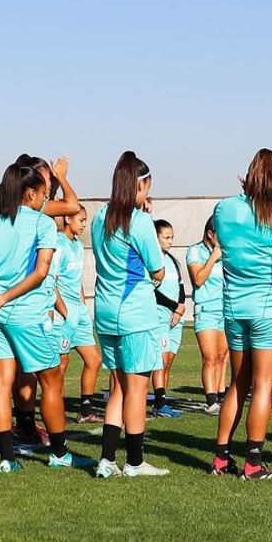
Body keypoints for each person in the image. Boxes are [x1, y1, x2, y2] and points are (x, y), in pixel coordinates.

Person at [0, 163, 94, 474]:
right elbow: (40, 273)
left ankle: (7, 458)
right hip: (28, 315)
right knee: (51, 380)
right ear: (29, 193)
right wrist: (8, 297)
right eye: (42, 193)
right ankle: (60, 453)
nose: (45, 199)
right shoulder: (42, 224)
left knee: (0, 382)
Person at [210, 149, 272, 480]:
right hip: (269, 307)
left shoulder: (224, 209)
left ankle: (221, 458)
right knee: (264, 385)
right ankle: (253, 461)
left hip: (234, 306)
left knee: (237, 384)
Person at [90, 151, 170, 478]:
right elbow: (158, 270)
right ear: (142, 185)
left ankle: (107, 460)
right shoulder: (139, 222)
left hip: (105, 312)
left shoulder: (98, 217)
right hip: (134, 313)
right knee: (136, 389)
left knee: (119, 388)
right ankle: (135, 462)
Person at [51, 204, 104, 424]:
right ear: (67, 219)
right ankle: (55, 410)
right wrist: (62, 310)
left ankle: (85, 409)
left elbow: (77, 278)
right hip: (63, 312)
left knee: (94, 359)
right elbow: (50, 280)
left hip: (79, 312)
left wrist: (82, 303)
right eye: (81, 220)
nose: (84, 224)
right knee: (61, 363)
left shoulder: (78, 246)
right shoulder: (57, 244)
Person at [186, 216, 226, 416]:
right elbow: (199, 279)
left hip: (225, 310)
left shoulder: (225, 252)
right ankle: (210, 401)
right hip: (206, 311)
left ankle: (220, 395)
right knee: (209, 357)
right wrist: (213, 257)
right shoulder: (195, 251)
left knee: (221, 356)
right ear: (210, 233)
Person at [151, 219, 186, 419]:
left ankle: (161, 397)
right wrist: (174, 307)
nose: (170, 241)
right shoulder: (154, 261)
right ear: (156, 238)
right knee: (161, 359)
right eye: (166, 237)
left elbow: (180, 286)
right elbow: (152, 290)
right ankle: (159, 402)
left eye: (172, 237)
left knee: (169, 360)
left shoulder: (173, 260)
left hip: (176, 318)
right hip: (160, 316)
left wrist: (180, 308)